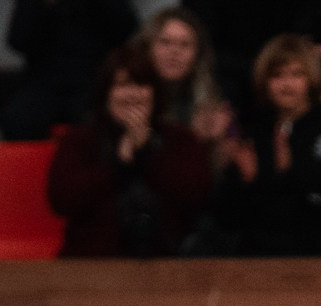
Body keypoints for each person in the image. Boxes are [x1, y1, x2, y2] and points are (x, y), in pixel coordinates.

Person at [47, 41, 213, 257]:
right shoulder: (81, 139)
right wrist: (118, 164)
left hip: (167, 260)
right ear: (106, 93)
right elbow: (61, 200)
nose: (133, 94)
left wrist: (147, 152)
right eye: (122, 85)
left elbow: (197, 196)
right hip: (93, 260)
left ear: (155, 93)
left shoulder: (179, 138)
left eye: (141, 85)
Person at [213, 34, 321, 256]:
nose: (287, 84)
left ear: (311, 78)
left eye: (297, 74)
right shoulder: (255, 133)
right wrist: (245, 183)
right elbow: (228, 221)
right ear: (265, 81)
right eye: (277, 75)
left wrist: (291, 171)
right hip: (262, 258)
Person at [2, 0, 140, 141]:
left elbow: (127, 28)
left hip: (93, 80)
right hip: (43, 82)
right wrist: (44, 6)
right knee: (18, 117)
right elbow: (17, 40)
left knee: (97, 120)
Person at [184, 0, 321, 109]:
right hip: (227, 74)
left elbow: (307, 28)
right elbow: (203, 45)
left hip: (283, 61)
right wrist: (262, 66)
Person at [144, 6, 235, 159]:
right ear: (148, 47)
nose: (174, 51)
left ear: (197, 55)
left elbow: (220, 166)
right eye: (165, 42)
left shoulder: (212, 100)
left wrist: (214, 143)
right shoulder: (128, 94)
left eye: (185, 44)